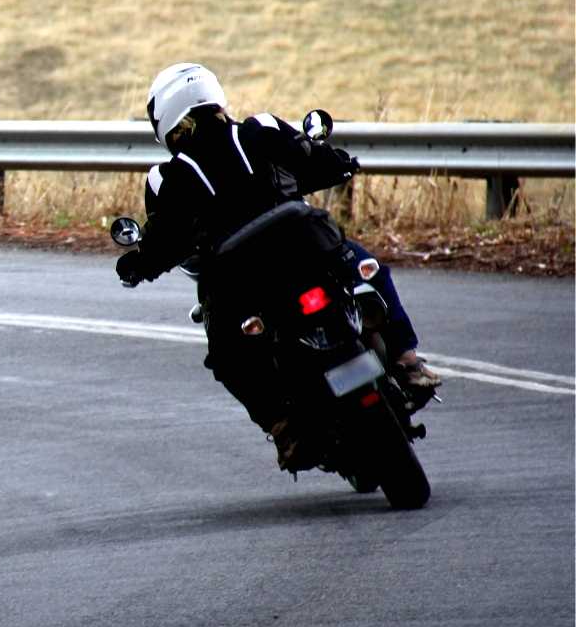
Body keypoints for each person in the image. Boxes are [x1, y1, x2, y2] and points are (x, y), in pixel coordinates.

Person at [115, 62, 440, 468]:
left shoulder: (166, 178)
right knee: (366, 268)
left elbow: (164, 240)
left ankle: (285, 425)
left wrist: (138, 265)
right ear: (212, 97)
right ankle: (407, 363)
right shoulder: (258, 128)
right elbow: (312, 157)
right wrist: (341, 161)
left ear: (165, 119)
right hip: (306, 243)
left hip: (241, 276)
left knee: (226, 354)